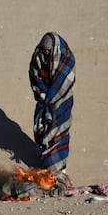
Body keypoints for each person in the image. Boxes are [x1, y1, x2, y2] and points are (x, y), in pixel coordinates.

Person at [29, 32, 75, 173]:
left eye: (48, 51)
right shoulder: (39, 56)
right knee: (45, 131)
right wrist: (44, 96)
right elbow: (35, 77)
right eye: (44, 50)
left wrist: (51, 98)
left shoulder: (66, 58)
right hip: (44, 100)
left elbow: (65, 83)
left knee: (59, 133)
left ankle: (59, 170)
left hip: (62, 102)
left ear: (54, 49)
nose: (46, 53)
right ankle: (46, 165)